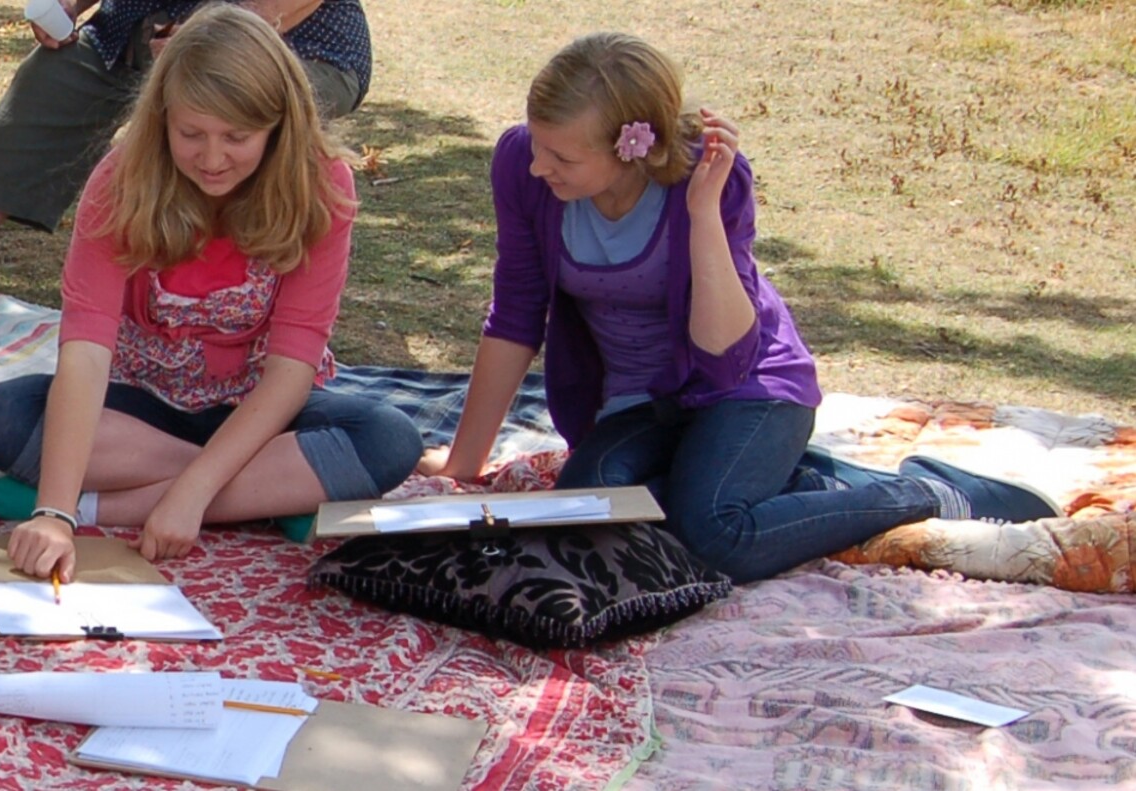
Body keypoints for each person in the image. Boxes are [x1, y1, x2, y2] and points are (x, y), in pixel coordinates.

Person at [418, 32, 1060, 585]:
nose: (537, 165)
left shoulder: (709, 176)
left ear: (630, 148)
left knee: (717, 536)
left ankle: (927, 492)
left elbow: (726, 349)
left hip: (748, 387)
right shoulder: (519, 165)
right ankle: (802, 484)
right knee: (593, 517)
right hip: (640, 402)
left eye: (561, 156)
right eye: (537, 143)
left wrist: (702, 213)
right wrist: (465, 465)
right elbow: (516, 313)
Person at [0, 4, 422, 581]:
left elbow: (292, 367)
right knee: (3, 414)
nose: (212, 158)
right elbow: (85, 347)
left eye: (237, 137)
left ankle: (108, 505)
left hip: (259, 409)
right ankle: (270, 496)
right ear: (162, 120)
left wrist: (189, 493)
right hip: (143, 405)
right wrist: (52, 510)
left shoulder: (321, 184)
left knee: (389, 439)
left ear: (279, 126)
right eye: (191, 134)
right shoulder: (122, 179)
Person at [0, 0, 372, 286]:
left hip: (289, 40)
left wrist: (210, 44)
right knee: (59, 72)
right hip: (147, 24)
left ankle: (211, 280)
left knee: (214, 108)